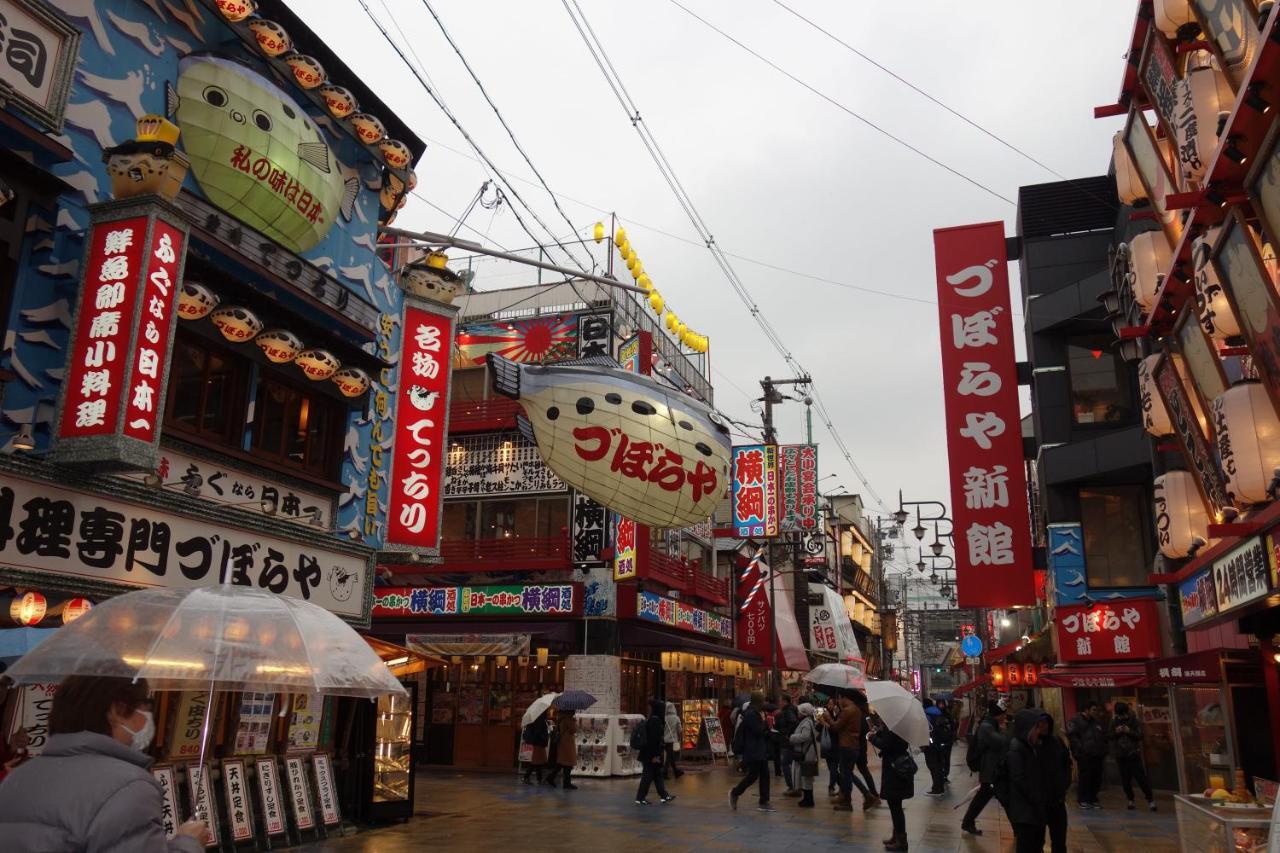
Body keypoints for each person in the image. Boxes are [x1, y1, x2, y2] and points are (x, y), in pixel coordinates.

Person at [0, 675, 207, 851]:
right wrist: (188, 844)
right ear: (118, 711)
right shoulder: (127, 787)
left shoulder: (16, 779)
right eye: (146, 706)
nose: (148, 716)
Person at [1006, 709, 1072, 853]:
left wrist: (1064, 784)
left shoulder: (1055, 742)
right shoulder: (1026, 747)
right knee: (1035, 843)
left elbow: (1066, 764)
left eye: (1045, 723)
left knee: (1059, 841)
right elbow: (1020, 778)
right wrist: (1036, 798)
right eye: (1038, 724)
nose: (1043, 727)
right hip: (1037, 804)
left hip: (1055, 800)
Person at [960, 701, 1011, 836]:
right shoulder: (987, 727)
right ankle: (1019, 828)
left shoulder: (990, 725)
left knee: (984, 797)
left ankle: (967, 822)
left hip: (992, 769)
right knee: (1005, 799)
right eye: (1003, 715)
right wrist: (1006, 732)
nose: (1004, 717)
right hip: (990, 769)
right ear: (998, 715)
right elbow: (1000, 743)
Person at [870, 719, 914, 852]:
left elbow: (886, 745)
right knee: (895, 805)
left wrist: (872, 738)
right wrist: (880, 732)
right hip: (897, 765)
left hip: (894, 768)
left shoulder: (893, 725)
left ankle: (901, 841)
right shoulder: (901, 724)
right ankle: (897, 836)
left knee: (895, 805)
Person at [729, 690, 775, 812]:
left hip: (758, 749)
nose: (764, 702)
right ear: (758, 701)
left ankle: (762, 800)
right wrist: (766, 723)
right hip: (754, 750)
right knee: (755, 775)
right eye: (762, 700)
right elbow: (758, 731)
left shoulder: (755, 713)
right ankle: (736, 793)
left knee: (759, 775)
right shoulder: (751, 714)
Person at [821, 691, 864, 811]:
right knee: (847, 774)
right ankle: (851, 797)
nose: (838, 702)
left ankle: (848, 801)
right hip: (853, 745)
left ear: (844, 698)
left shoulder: (847, 710)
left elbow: (836, 727)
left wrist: (828, 717)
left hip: (847, 745)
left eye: (839, 699)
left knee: (846, 775)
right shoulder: (856, 709)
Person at [1108, 702, 1155, 811]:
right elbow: (1109, 736)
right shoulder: (1114, 721)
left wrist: (1129, 731)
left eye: (1123, 714)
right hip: (1120, 755)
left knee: (1141, 778)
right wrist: (1117, 732)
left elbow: (1140, 736)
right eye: (1119, 715)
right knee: (1125, 780)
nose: (1121, 717)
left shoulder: (1134, 721)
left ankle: (1151, 800)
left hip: (1133, 753)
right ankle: (1130, 800)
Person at [1065, 702, 1107, 809]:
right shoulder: (1075, 721)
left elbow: (1102, 735)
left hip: (1097, 754)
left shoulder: (1096, 722)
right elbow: (1073, 737)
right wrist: (1080, 750)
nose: (1096, 712)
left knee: (1096, 777)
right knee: (1085, 777)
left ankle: (1092, 798)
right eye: (1093, 709)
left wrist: (1103, 749)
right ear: (1086, 710)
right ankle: (1083, 799)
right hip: (1084, 755)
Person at [636, 699, 676, 805]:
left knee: (657, 775)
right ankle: (640, 798)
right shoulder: (655, 721)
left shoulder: (653, 719)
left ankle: (664, 796)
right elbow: (653, 741)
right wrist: (655, 756)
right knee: (647, 777)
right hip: (651, 755)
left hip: (651, 753)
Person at [849, 690, 881, 808]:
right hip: (861, 746)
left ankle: (869, 795)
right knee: (863, 769)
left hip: (855, 745)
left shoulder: (857, 713)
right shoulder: (865, 713)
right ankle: (874, 794)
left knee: (847, 771)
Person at [789, 701, 821, 808]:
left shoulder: (806, 723)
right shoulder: (807, 721)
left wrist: (792, 737)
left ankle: (808, 800)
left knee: (806, 777)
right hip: (807, 752)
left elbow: (805, 736)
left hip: (806, 753)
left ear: (804, 713)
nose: (798, 714)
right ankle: (807, 798)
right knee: (806, 777)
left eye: (799, 712)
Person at [544, 709, 578, 789]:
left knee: (562, 763)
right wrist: (574, 721)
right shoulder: (568, 719)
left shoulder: (561, 718)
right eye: (573, 710)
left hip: (563, 743)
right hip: (567, 744)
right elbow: (573, 730)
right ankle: (566, 783)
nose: (574, 711)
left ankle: (552, 778)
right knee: (567, 764)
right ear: (570, 711)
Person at [922, 697, 948, 796]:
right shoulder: (938, 712)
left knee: (933, 766)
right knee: (939, 765)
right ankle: (940, 787)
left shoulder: (926, 714)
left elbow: (926, 729)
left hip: (930, 744)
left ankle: (936, 789)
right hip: (940, 743)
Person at [777, 694, 800, 796]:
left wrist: (788, 734)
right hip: (789, 741)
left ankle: (792, 786)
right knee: (791, 764)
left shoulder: (788, 711)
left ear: (785, 701)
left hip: (788, 742)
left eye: (780, 701)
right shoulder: (790, 709)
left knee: (785, 764)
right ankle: (795, 785)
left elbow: (793, 722)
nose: (779, 703)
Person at [520, 709, 550, 784]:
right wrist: (544, 735)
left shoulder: (538, 718)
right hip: (539, 742)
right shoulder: (540, 720)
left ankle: (538, 779)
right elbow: (538, 731)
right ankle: (526, 777)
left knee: (538, 761)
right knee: (536, 761)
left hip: (538, 742)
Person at [822, 697, 840, 796]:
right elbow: (818, 728)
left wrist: (829, 722)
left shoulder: (839, 715)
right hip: (828, 745)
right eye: (829, 704)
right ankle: (841, 785)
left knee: (833, 767)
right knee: (831, 768)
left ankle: (831, 786)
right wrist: (822, 722)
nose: (830, 706)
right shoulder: (825, 714)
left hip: (836, 745)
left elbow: (837, 729)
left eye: (832, 704)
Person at [935, 698, 956, 783]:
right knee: (940, 759)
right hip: (939, 740)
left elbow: (953, 726)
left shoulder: (948, 714)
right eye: (939, 704)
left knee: (946, 759)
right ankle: (941, 775)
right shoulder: (935, 714)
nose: (941, 705)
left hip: (948, 741)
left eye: (942, 704)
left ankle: (945, 775)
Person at [662, 701, 684, 780]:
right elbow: (679, 730)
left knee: (670, 756)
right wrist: (679, 737)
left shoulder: (664, 717)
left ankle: (676, 771)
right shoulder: (676, 718)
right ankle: (664, 772)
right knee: (669, 757)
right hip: (671, 740)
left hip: (664, 740)